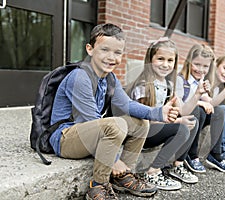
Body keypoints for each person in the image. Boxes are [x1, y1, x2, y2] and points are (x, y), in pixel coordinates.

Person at [49, 23, 180, 200]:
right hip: (65, 137)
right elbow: (92, 120)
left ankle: (122, 177)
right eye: (104, 50)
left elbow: (127, 105)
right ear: (90, 49)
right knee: (115, 124)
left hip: (87, 133)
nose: (111, 57)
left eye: (117, 52)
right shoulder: (79, 77)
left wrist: (158, 113)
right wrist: (114, 160)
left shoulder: (109, 77)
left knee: (140, 123)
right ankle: (98, 186)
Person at [126, 38, 204, 190]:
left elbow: (183, 111)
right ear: (150, 59)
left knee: (192, 120)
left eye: (170, 60)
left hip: (157, 129)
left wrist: (197, 95)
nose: (165, 64)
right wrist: (176, 122)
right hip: (141, 134)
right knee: (181, 128)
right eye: (160, 59)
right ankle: (153, 172)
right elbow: (144, 123)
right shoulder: (144, 86)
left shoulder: (168, 85)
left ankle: (178, 165)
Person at [176, 44, 214, 173]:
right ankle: (192, 155)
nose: (200, 69)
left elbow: (211, 102)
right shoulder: (180, 80)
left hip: (195, 116)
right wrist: (200, 102)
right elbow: (181, 105)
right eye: (197, 64)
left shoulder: (200, 82)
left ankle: (219, 152)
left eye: (205, 66)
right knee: (198, 110)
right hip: (179, 114)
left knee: (220, 111)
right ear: (189, 62)